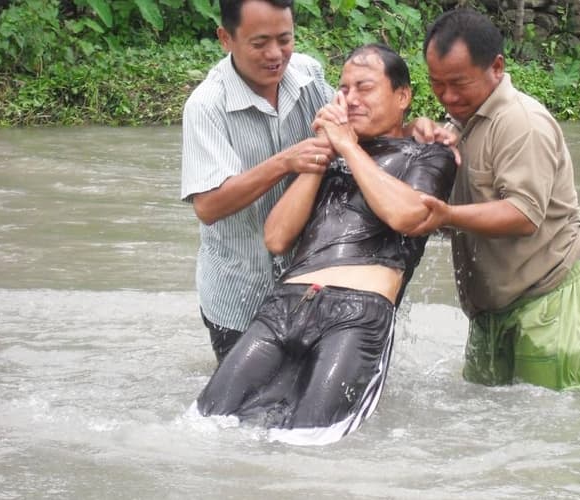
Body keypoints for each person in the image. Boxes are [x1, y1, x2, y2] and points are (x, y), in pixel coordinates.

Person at [196, 44, 456, 445]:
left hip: (357, 314)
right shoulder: (330, 155)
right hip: (284, 305)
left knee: (313, 440)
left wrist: (348, 147)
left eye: (364, 88)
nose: (351, 99)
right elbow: (277, 238)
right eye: (344, 89)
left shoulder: (429, 153)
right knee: (204, 421)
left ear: (402, 96)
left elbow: (408, 216)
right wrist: (323, 152)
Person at [410, 8, 580, 391]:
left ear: (496, 67)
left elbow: (522, 215)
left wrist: (446, 215)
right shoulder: (460, 124)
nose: (447, 96)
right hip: (492, 308)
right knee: (486, 416)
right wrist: (415, 137)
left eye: (459, 83)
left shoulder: (521, 123)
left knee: (550, 423)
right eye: (436, 84)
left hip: (549, 295)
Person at [181, 0, 336, 363]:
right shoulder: (207, 106)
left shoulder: (309, 75)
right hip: (239, 299)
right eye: (259, 43)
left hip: (308, 288)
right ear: (225, 38)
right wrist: (285, 162)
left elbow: (351, 131)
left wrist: (411, 131)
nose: (275, 54)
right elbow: (208, 206)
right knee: (247, 413)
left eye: (285, 39)